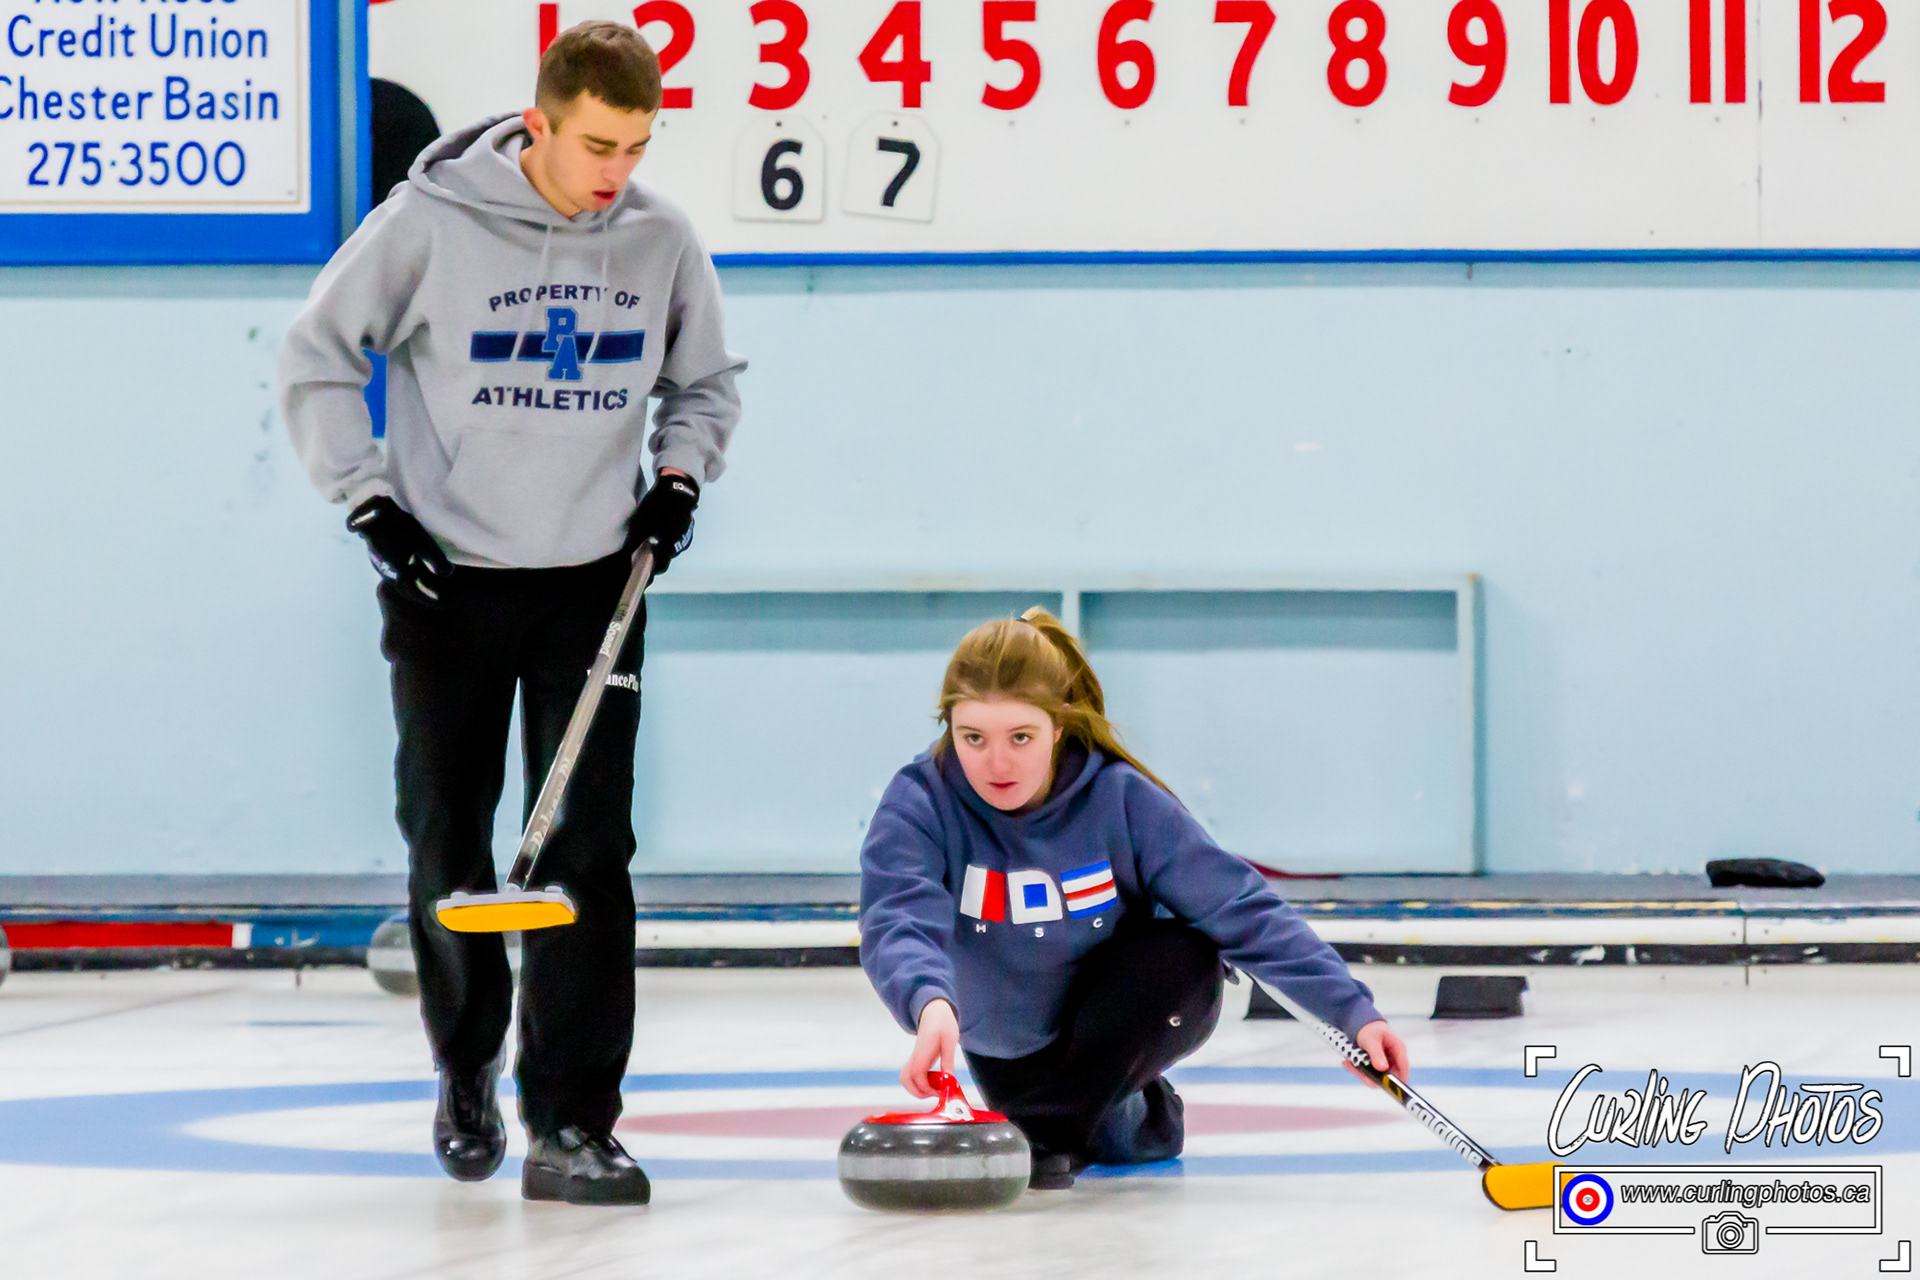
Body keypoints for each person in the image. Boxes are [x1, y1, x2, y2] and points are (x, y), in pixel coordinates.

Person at [278, 21, 744, 1206]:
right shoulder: (428, 224)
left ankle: (577, 1117)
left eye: (635, 147)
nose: (614, 173)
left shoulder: (660, 239)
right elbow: (318, 353)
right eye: (596, 144)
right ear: (539, 121)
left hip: (595, 580)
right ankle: (467, 1061)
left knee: (592, 846)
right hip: (446, 578)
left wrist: (678, 478)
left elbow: (703, 385)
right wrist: (368, 503)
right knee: (449, 833)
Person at [859, 608, 1409, 1189]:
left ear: (1059, 727)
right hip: (1006, 1044)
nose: (997, 763)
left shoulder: (1121, 799)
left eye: (1021, 737)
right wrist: (930, 1002)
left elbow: (1240, 908)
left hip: (1107, 1024)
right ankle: (1104, 1118)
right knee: (1112, 1139)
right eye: (973, 738)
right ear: (949, 727)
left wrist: (1352, 1013)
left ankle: (1058, 1126)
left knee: (1185, 951)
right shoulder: (919, 800)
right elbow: (898, 916)